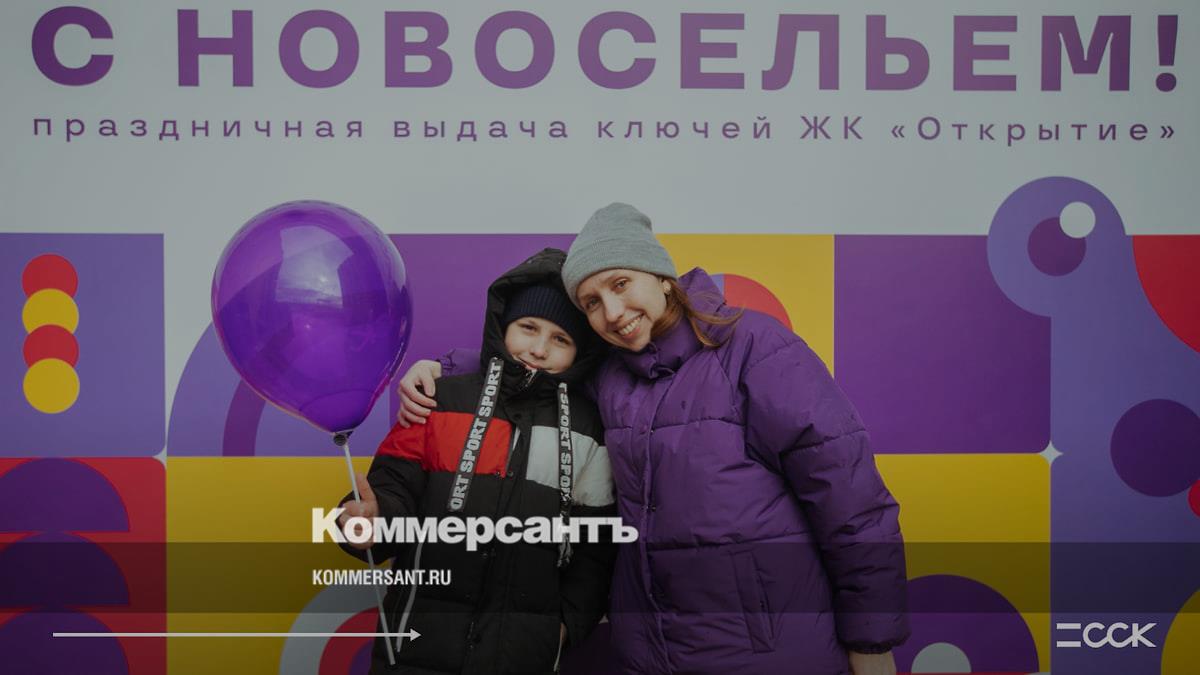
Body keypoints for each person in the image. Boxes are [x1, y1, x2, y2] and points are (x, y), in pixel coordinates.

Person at [397, 204, 909, 675]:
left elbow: (851, 501)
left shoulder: (755, 348)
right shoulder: (608, 376)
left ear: (662, 276)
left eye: (621, 284)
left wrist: (872, 641)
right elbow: (535, 369)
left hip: (768, 651)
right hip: (650, 655)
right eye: (592, 302)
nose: (612, 312)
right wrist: (445, 369)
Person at [336, 248, 617, 674]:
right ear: (503, 327)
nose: (539, 349)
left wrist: (562, 628)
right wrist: (371, 520)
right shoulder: (440, 399)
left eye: (561, 339)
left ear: (580, 352)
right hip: (413, 654)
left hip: (522, 658)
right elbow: (393, 490)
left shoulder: (587, 429)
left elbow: (595, 549)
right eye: (528, 327)